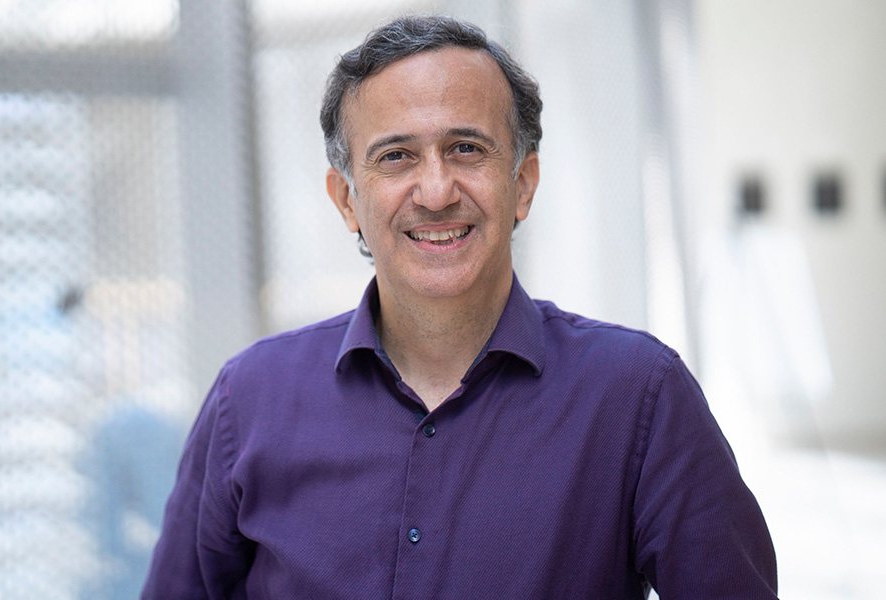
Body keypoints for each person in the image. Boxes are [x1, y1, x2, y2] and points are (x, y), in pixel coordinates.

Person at [142, 15, 777, 599]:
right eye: (396, 157)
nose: (438, 190)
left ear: (522, 183)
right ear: (346, 199)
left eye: (467, 149)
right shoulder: (248, 401)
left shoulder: (638, 395)